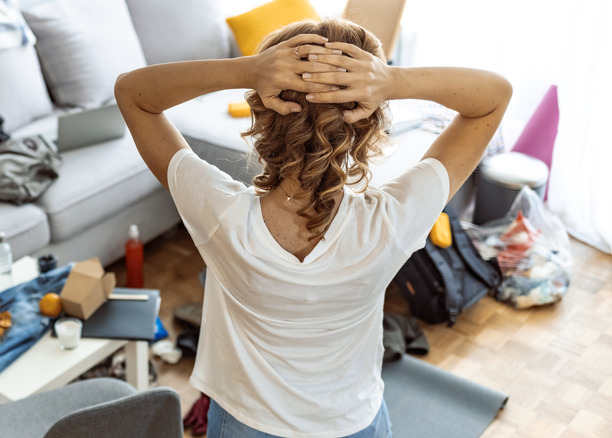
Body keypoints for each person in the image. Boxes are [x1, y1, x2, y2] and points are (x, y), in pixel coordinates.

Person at [115, 17, 511, 438]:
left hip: (246, 425)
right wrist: (391, 80)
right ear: (368, 122)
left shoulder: (218, 213)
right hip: (354, 425)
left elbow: (132, 93)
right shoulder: (391, 222)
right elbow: (494, 96)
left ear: (263, 111)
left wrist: (246, 69)